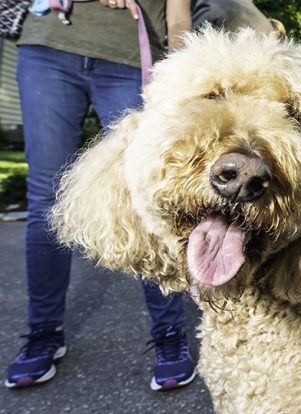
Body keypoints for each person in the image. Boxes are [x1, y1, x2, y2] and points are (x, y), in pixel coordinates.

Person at [4, 0, 195, 391]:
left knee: (148, 198)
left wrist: (185, 86)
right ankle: (44, 332)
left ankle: (170, 334)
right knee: (46, 200)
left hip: (131, 58)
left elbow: (178, 17)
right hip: (49, 47)